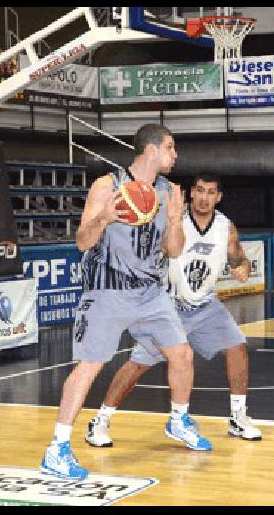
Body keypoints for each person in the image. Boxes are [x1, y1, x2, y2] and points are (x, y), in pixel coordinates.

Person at [41, 124, 211, 481]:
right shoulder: (108, 186)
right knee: (90, 366)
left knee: (181, 353)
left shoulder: (168, 193)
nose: (175, 155)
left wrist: (177, 219)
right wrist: (104, 218)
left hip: (149, 291)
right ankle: (56, 449)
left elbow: (173, 250)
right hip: (107, 289)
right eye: (170, 147)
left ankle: (178, 420)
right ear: (150, 150)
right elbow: (83, 243)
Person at [85, 173, 262, 449]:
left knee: (237, 346)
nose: (204, 197)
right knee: (139, 364)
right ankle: (101, 419)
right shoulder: (172, 220)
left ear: (219, 197)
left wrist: (244, 268)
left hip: (205, 305)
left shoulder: (226, 227)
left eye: (211, 192)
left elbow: (239, 258)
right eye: (200, 190)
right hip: (169, 305)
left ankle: (238, 416)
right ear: (191, 193)